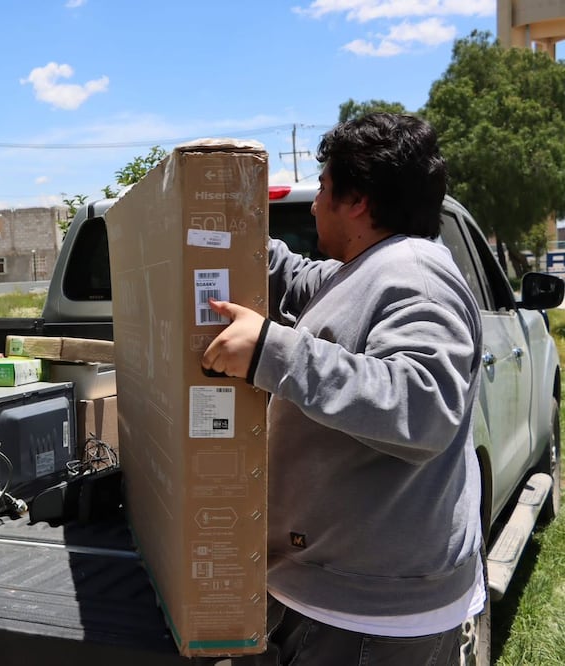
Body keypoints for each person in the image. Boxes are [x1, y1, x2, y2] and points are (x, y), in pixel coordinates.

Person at [202, 113, 485, 665]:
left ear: (357, 201)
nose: (313, 205)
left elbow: (424, 407)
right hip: (341, 594)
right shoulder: (361, 269)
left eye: (323, 188)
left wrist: (269, 352)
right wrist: (217, 216)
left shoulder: (415, 275)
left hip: (373, 617)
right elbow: (294, 278)